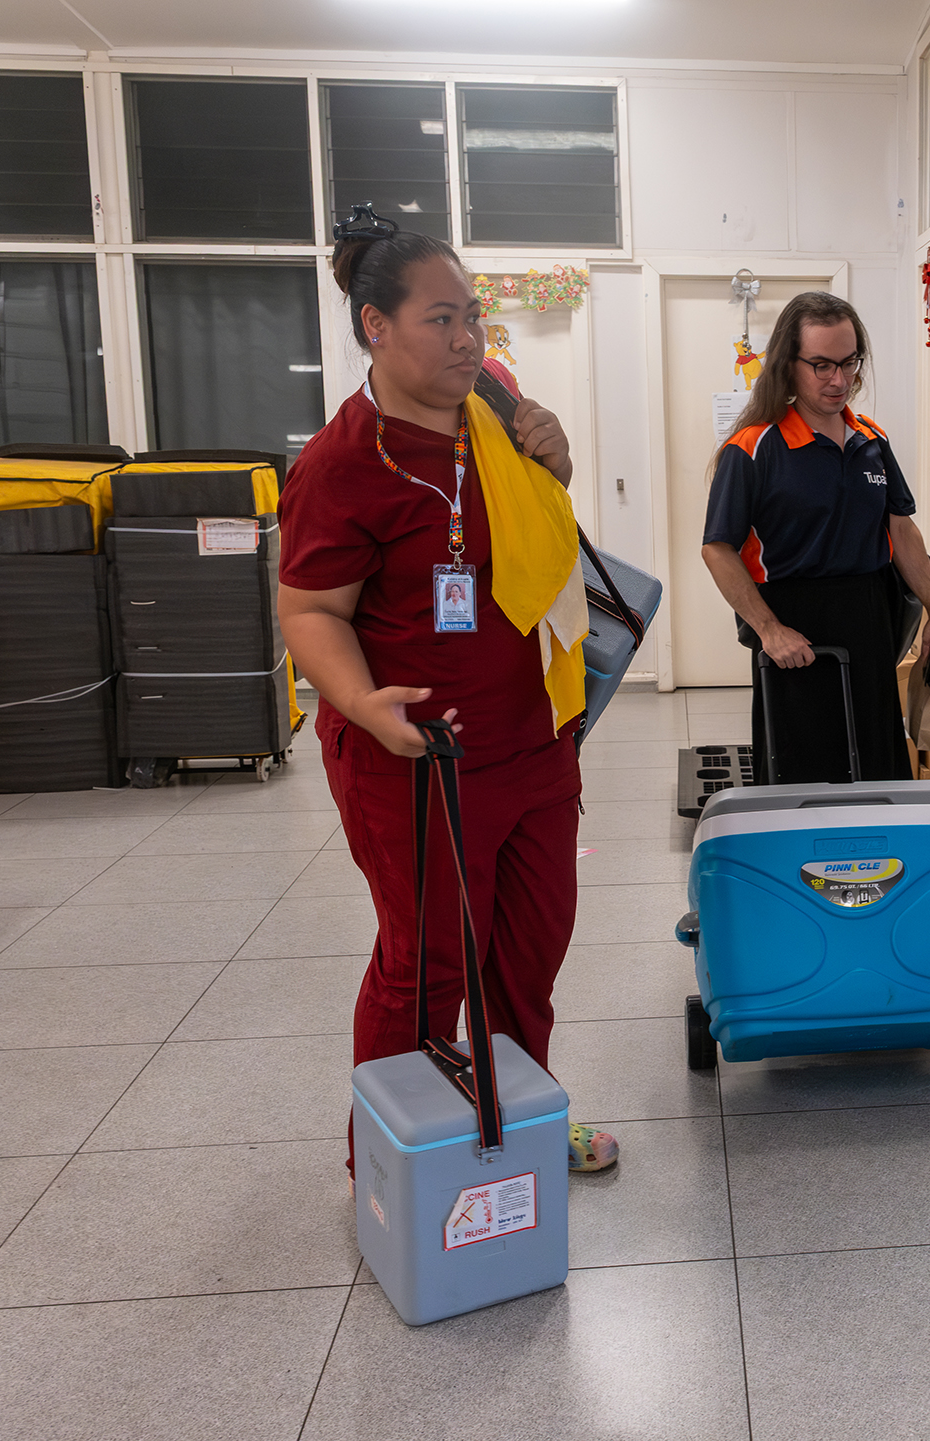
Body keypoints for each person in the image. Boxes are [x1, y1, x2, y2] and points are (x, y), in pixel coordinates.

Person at [277, 204, 618, 1181]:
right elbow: (308, 609)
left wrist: (556, 462)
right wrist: (360, 703)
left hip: (536, 747)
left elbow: (543, 539)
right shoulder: (344, 464)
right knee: (424, 967)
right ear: (374, 327)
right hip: (416, 763)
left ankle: (516, 1132)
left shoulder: (497, 406)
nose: (467, 337)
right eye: (441, 319)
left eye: (472, 315)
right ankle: (395, 1162)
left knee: (526, 962)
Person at [700, 291, 930, 783]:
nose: (840, 380)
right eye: (821, 365)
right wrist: (770, 631)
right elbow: (717, 548)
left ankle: (880, 859)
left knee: (877, 765)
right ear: (787, 365)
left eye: (849, 362)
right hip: (794, 630)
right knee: (803, 775)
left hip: (869, 620)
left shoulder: (871, 441)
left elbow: (900, 526)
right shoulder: (754, 447)